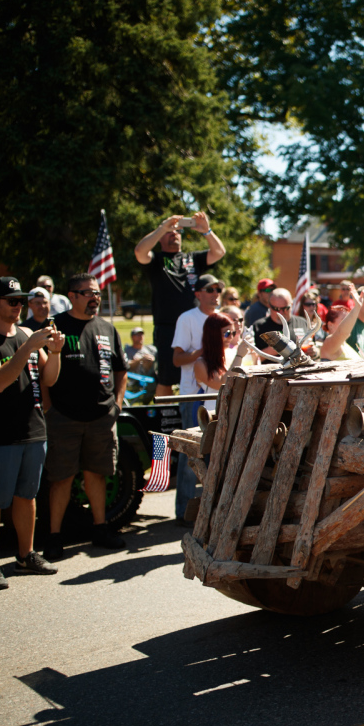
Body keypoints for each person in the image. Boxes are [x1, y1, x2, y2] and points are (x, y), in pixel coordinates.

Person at [0, 277, 65, 589]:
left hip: (34, 429)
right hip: (0, 433)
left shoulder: (25, 334)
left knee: (27, 496)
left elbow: (49, 378)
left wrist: (56, 352)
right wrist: (28, 348)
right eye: (12, 301)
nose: (18, 306)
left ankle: (25, 556)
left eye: (20, 300)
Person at [43, 273, 129, 560]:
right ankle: (54, 536)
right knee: (61, 478)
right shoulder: (57, 327)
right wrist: (47, 407)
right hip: (63, 417)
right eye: (88, 293)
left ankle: (100, 529)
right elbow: (42, 370)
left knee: (97, 475)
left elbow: (121, 369)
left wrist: (116, 404)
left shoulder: (107, 328)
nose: (95, 298)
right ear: (72, 295)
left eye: (97, 293)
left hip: (101, 417)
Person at [134, 212, 226, 390]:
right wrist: (162, 228)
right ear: (161, 237)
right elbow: (140, 251)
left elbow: (219, 252)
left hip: (196, 323)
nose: (174, 233)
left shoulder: (192, 258)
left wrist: (207, 231)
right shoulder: (156, 260)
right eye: (170, 231)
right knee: (166, 379)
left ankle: (194, 411)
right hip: (168, 326)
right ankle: (165, 417)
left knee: (201, 372)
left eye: (178, 231)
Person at [170, 274, 224, 523]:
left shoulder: (221, 317)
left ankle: (211, 509)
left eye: (219, 289)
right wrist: (204, 351)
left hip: (218, 394)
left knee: (217, 453)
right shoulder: (187, 318)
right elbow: (177, 359)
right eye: (210, 289)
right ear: (198, 294)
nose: (216, 293)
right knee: (192, 452)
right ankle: (184, 511)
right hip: (193, 395)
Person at [193, 311, 244, 411]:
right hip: (213, 415)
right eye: (227, 333)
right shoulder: (201, 363)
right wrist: (240, 356)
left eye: (233, 333)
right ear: (213, 334)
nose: (231, 337)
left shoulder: (231, 353)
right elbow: (221, 384)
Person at [252, 287, 313, 355]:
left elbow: (314, 347)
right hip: (271, 365)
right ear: (269, 306)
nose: (281, 312)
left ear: (291, 305)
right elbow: (252, 358)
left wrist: (314, 352)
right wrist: (277, 348)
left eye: (285, 308)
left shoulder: (302, 322)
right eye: (276, 309)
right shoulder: (258, 326)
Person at [320, 284, 364, 361]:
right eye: (343, 320)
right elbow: (342, 333)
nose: (348, 323)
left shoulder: (346, 345)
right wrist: (357, 307)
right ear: (330, 325)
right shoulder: (328, 343)